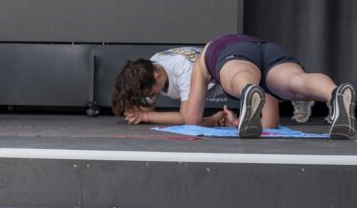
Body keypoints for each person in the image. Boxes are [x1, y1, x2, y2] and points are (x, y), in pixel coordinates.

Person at [112, 34, 355, 139]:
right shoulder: (156, 61)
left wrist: (215, 120)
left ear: (156, 75)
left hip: (226, 51)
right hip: (266, 48)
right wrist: (239, 122)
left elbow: (190, 120)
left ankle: (247, 90)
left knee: (240, 77)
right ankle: (334, 93)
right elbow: (269, 125)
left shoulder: (192, 67)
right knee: (296, 82)